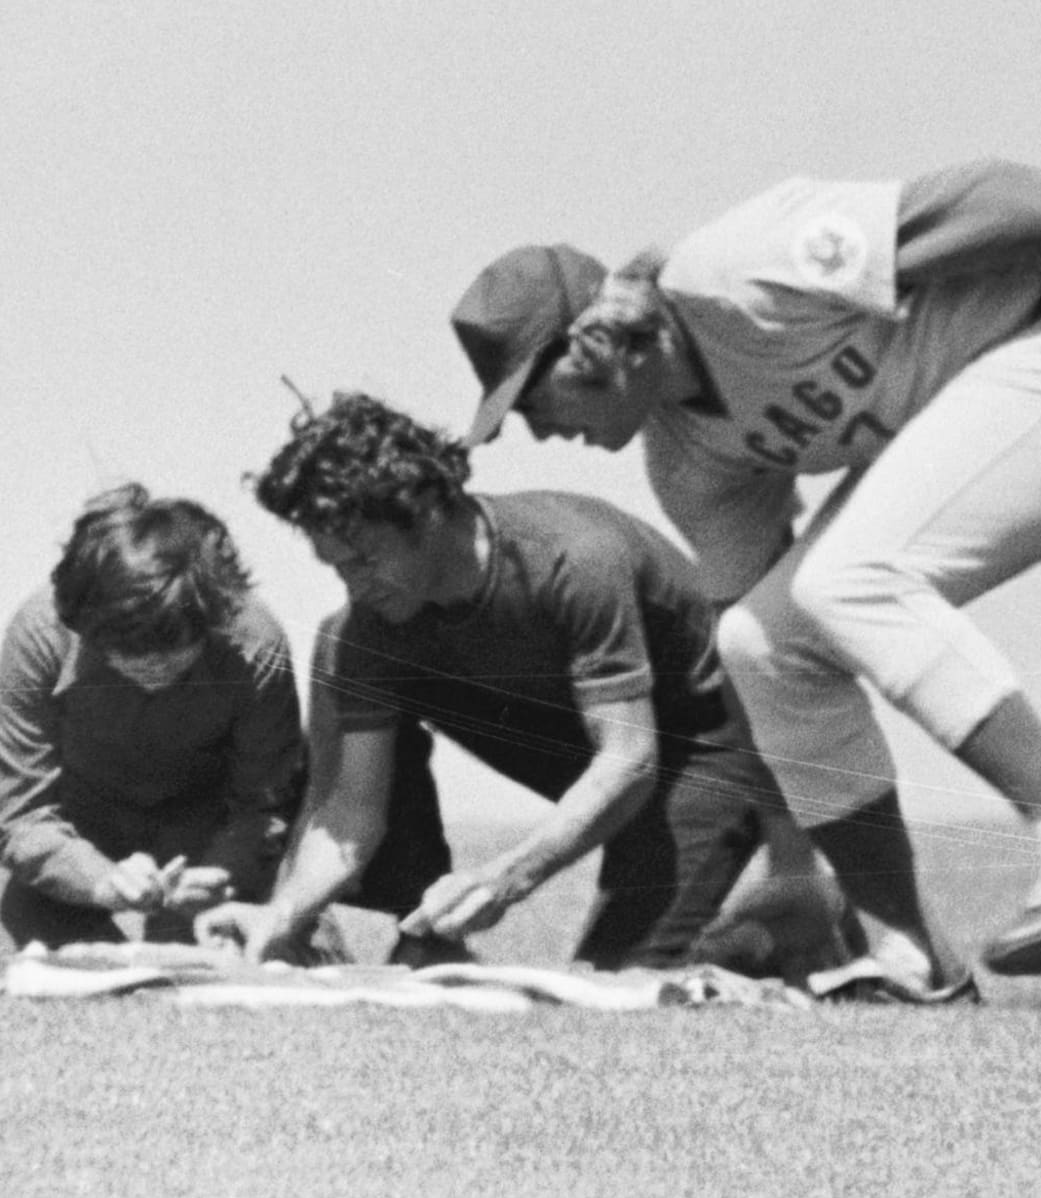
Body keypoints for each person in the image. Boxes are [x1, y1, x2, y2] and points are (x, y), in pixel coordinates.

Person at [449, 158, 1041, 976]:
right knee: (757, 638)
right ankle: (911, 953)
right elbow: (765, 662)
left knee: (848, 581)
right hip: (1004, 390)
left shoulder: (731, 274)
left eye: (528, 395)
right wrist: (794, 868)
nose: (535, 428)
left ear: (590, 342)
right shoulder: (688, 459)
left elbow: (995, 198)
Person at [195, 393, 963, 997]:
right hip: (593, 762)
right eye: (335, 565)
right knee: (344, 648)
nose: (352, 583)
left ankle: (800, 921)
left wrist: (506, 876)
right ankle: (432, 936)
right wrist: (280, 918)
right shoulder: (370, 622)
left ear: (425, 512)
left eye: (363, 558)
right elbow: (352, 814)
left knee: (618, 993)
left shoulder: (574, 561)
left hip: (701, 760)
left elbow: (629, 759)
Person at [0, 485, 305, 952]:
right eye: (126, 648)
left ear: (213, 616)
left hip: (208, 839)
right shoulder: (38, 636)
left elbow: (263, 808)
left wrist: (223, 871)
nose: (153, 664)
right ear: (80, 622)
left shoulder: (256, 644)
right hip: (82, 837)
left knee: (254, 952)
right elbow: (22, 816)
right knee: (56, 954)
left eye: (175, 644)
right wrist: (98, 880)